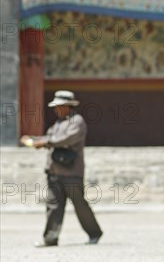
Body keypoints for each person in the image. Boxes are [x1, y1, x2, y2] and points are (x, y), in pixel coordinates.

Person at [20, 90, 103, 247]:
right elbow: (48, 139)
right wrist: (34, 140)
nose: (56, 110)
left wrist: (45, 142)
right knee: (53, 205)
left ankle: (94, 233)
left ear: (68, 106)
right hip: (54, 172)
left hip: (72, 172)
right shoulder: (57, 124)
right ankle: (50, 238)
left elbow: (65, 140)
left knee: (80, 204)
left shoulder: (77, 122)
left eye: (59, 106)